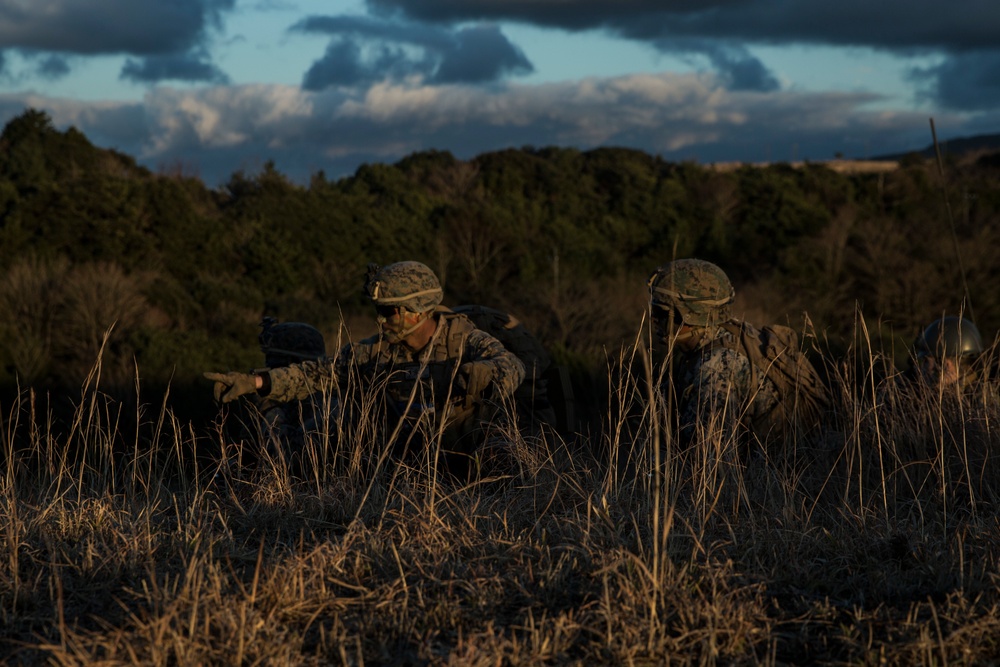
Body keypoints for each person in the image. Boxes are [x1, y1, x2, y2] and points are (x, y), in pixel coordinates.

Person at [205, 261, 526, 478]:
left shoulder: (463, 339)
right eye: (379, 312)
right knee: (324, 428)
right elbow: (318, 374)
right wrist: (257, 381)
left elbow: (512, 366)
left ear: (416, 311)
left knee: (507, 456)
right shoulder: (375, 351)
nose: (381, 320)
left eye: (388, 312)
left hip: (467, 455)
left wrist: (485, 374)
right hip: (404, 466)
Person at [647, 258, 828, 450]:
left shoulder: (716, 366)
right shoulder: (734, 334)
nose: (653, 319)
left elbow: (708, 457)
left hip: (775, 473)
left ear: (691, 315)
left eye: (660, 312)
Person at [909, 316, 985, 392]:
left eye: (926, 361)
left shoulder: (977, 399)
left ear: (945, 365)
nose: (921, 369)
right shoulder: (977, 393)